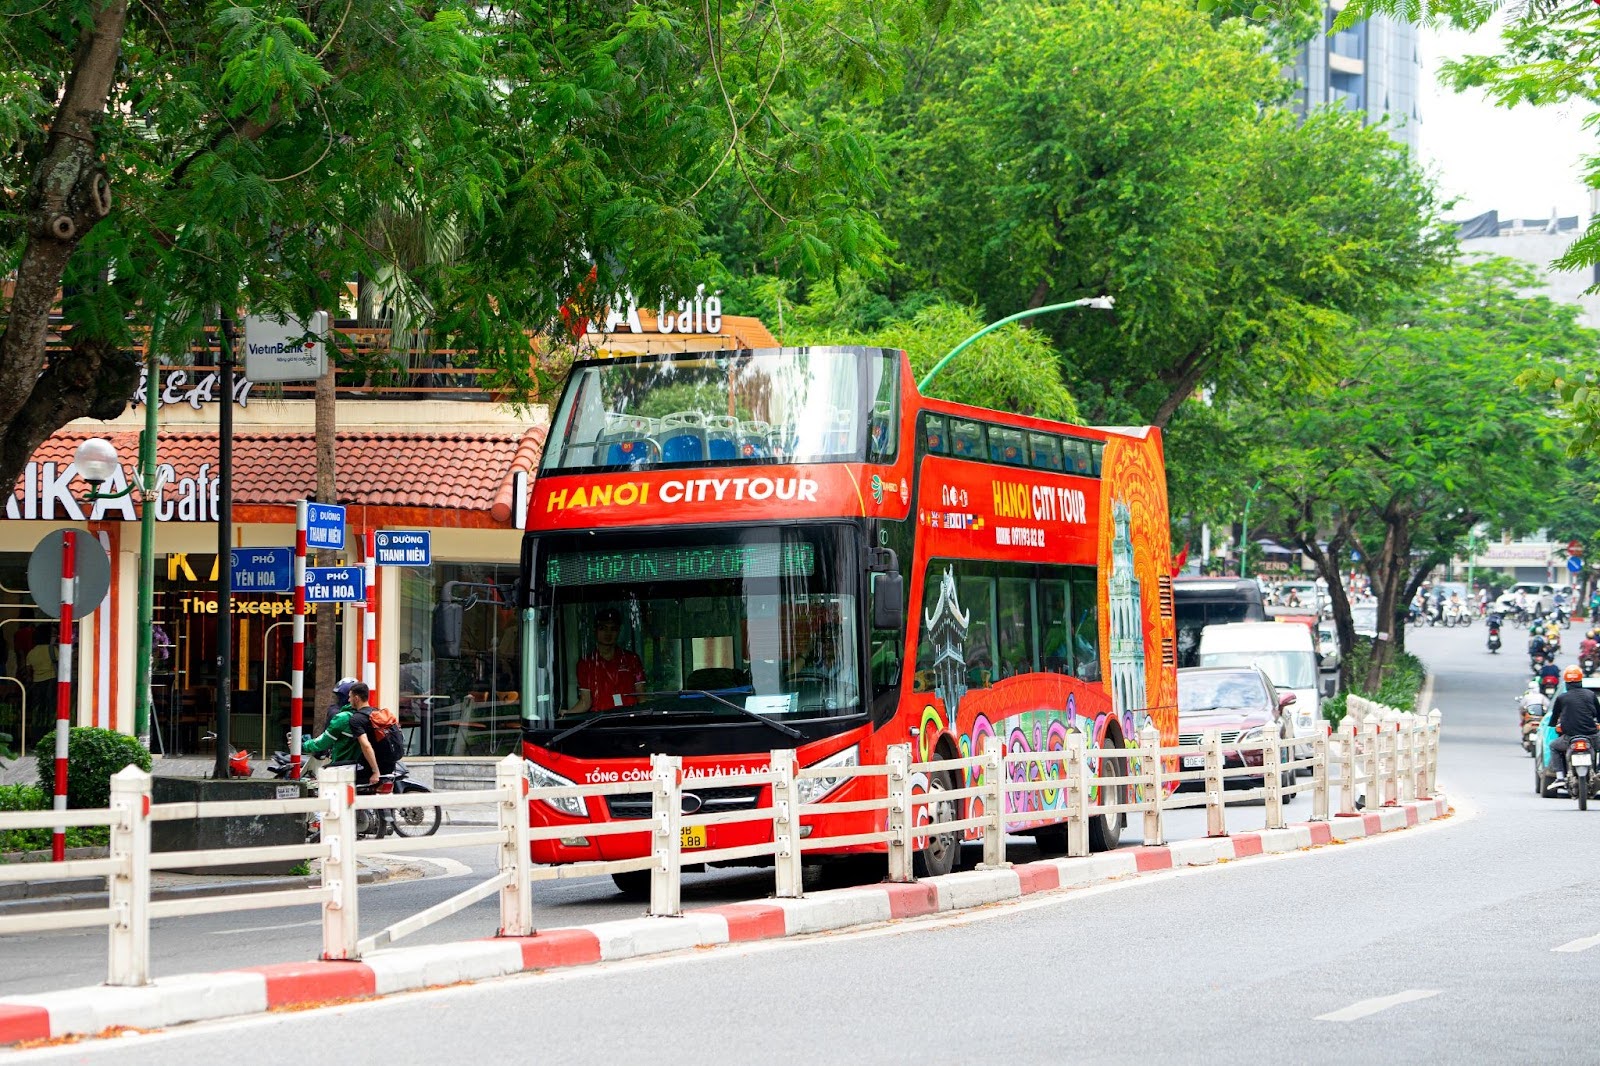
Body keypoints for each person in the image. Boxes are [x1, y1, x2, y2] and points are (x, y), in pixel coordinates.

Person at [303, 681, 391, 784]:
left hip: (345, 768)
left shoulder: (344, 718)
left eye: (347, 697)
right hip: (368, 767)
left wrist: (303, 745)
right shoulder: (374, 714)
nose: (348, 700)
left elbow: (321, 743)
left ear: (355, 698)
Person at [566, 607, 646, 713]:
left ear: (618, 632)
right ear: (595, 630)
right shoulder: (585, 663)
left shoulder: (632, 659)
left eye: (613, 629)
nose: (608, 633)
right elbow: (585, 702)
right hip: (600, 723)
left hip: (629, 720)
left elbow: (641, 697)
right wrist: (567, 714)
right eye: (603, 628)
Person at [1549, 665, 1600, 777]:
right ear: (1581, 680)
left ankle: (1559, 777)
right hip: (1592, 737)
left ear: (1567, 682)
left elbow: (1554, 717)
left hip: (1569, 738)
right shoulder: (1590, 695)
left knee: (1553, 746)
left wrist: (1552, 724)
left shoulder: (1562, 698)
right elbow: (1598, 713)